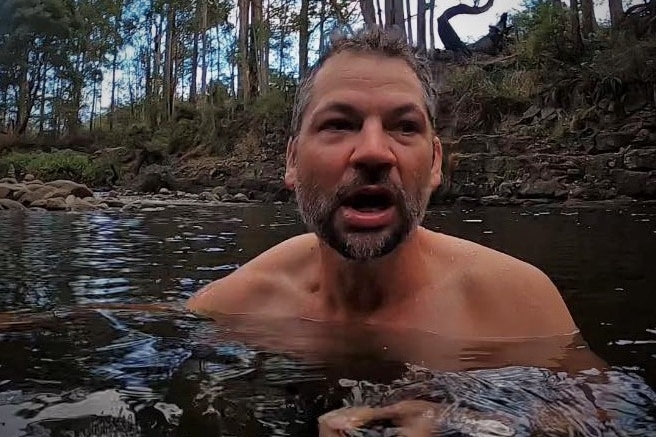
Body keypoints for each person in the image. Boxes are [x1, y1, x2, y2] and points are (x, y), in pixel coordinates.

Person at [186, 26, 578, 340]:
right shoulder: (236, 302)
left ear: (436, 162)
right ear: (291, 161)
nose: (374, 152)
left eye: (405, 127)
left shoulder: (520, 308)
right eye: (339, 124)